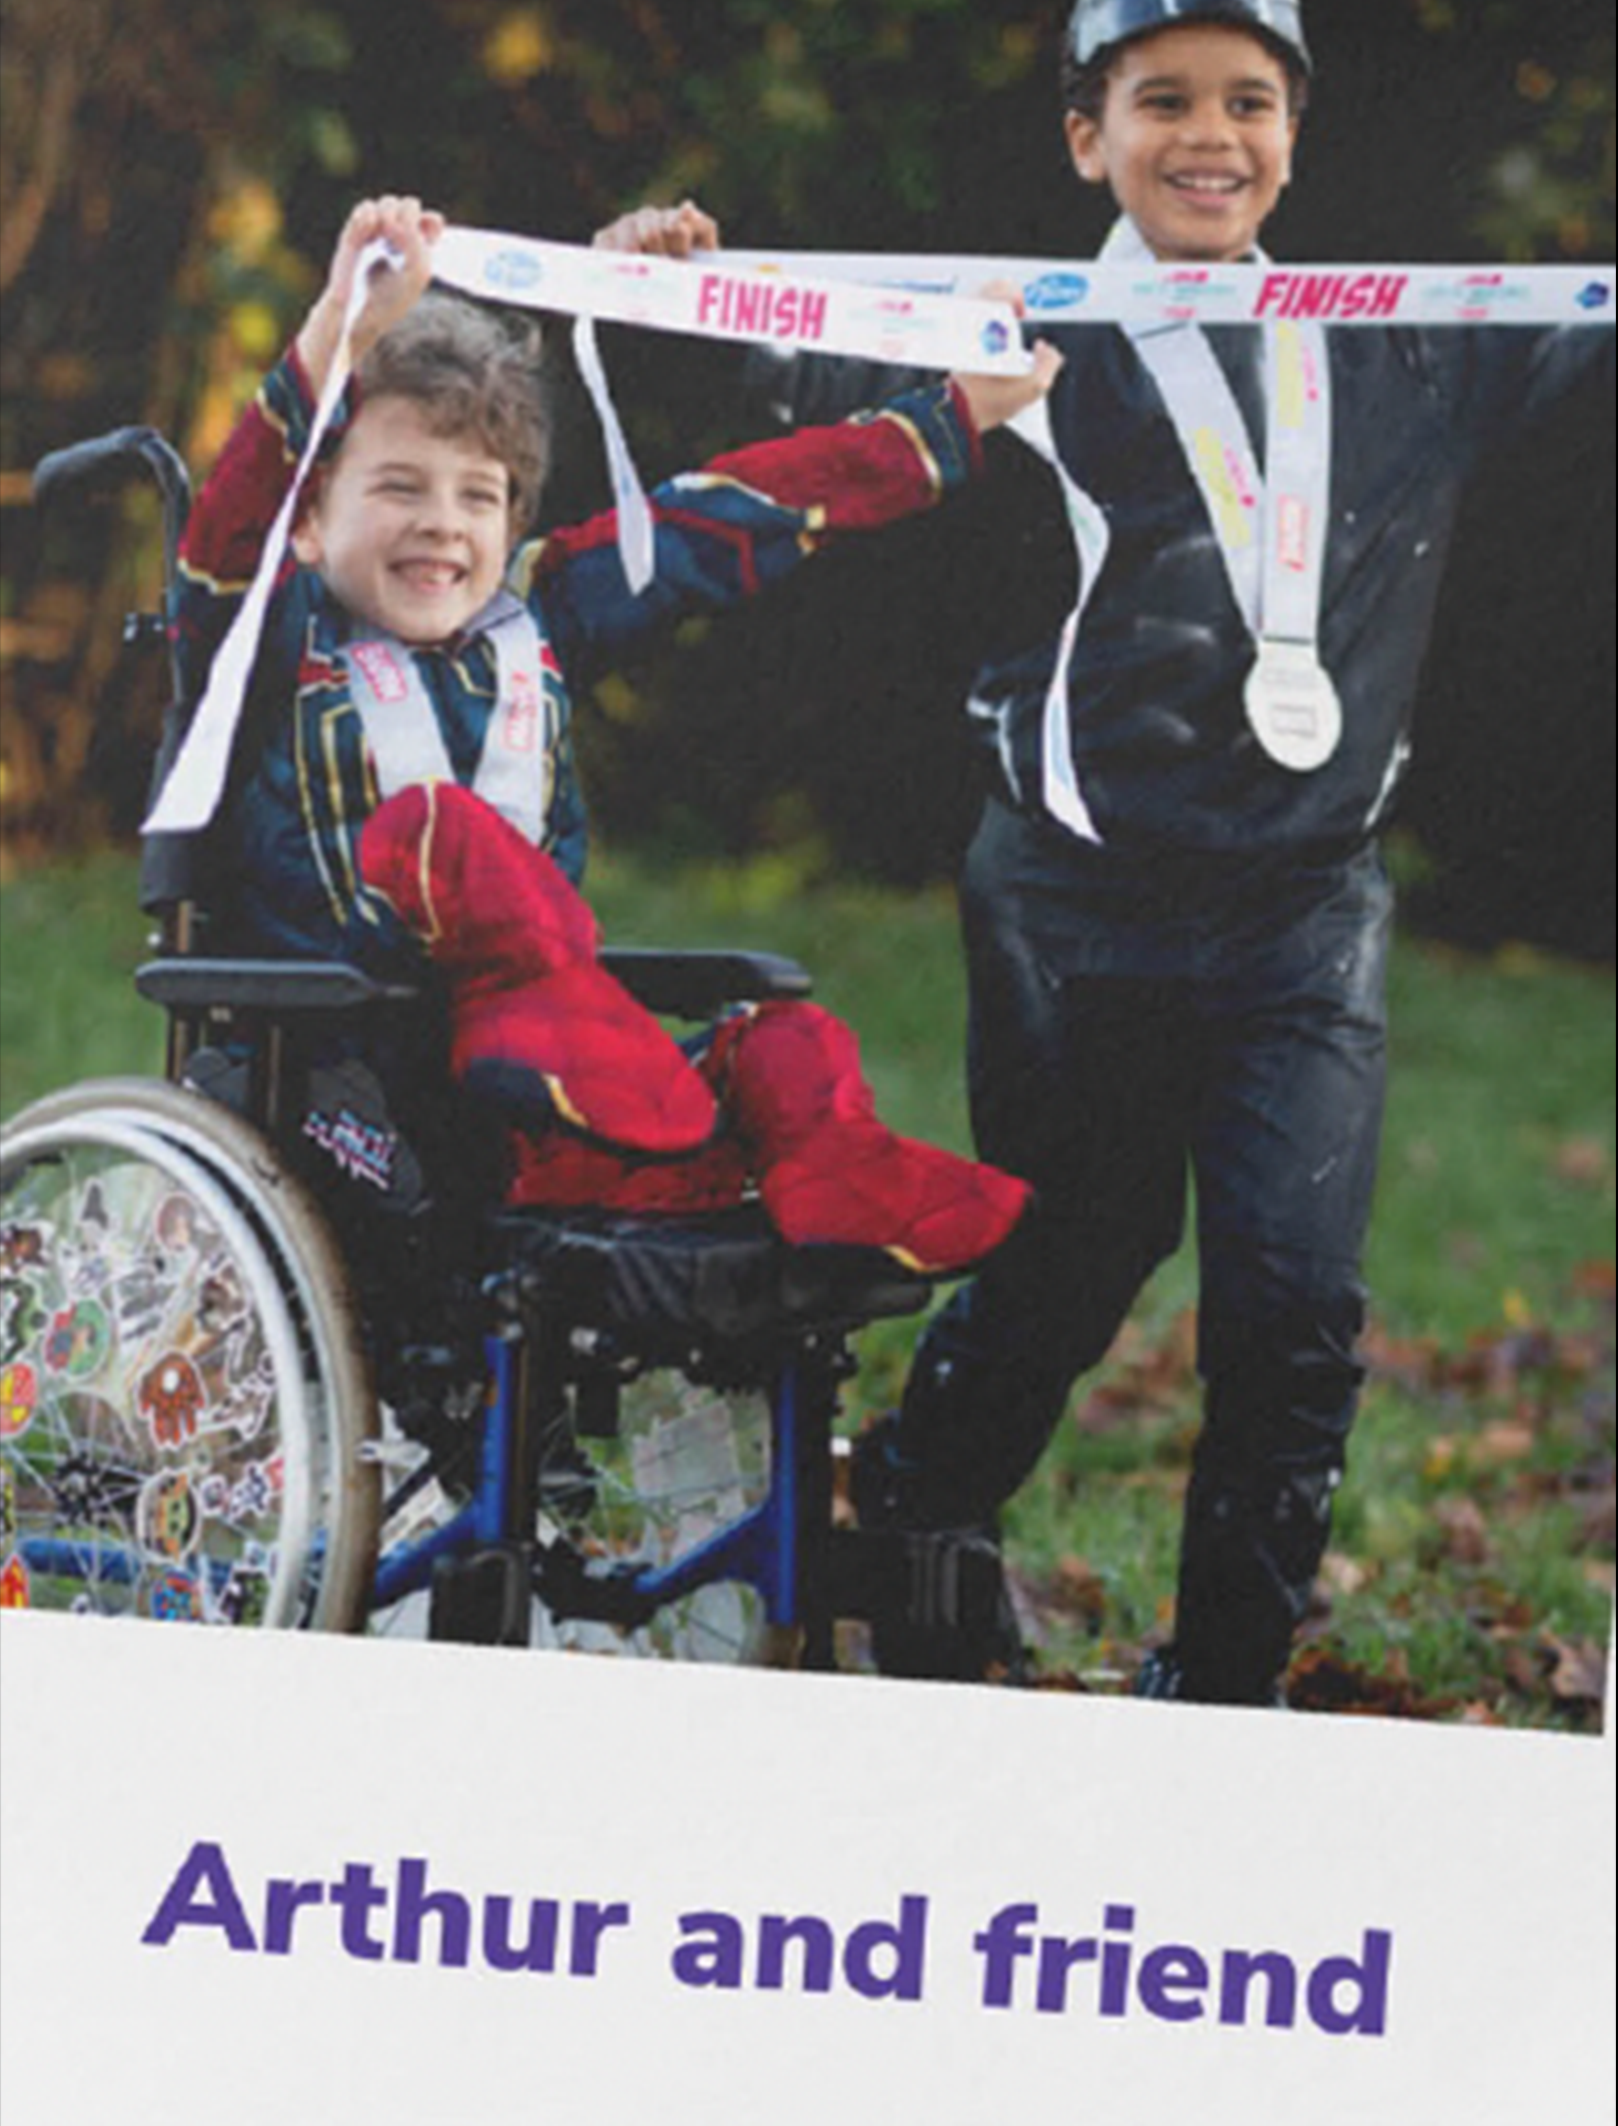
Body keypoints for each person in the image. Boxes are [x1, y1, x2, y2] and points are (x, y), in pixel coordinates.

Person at [621, 0, 1613, 1701]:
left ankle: (1220, 1685)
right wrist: (658, 292)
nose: (1206, 136)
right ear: (1088, 137)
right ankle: (909, 1531)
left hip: (1306, 916)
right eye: (1160, 100)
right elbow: (782, 397)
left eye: (1247, 100)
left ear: (1292, 135)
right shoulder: (1015, 337)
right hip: (1072, 909)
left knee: (1295, 1311)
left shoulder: (1404, 342)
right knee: (1062, 1257)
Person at [173, 195, 1060, 1273]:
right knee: (439, 831)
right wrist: (342, 330)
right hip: (339, 1070)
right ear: (311, 521)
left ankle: (845, 1187)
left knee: (785, 1044)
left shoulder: (535, 616)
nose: (443, 522)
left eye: (479, 496)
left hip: (553, 1085)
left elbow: (726, 518)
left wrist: (944, 418)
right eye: (398, 487)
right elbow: (229, 528)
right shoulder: (271, 636)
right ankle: (584, 1098)